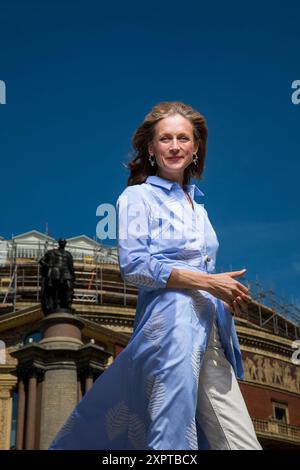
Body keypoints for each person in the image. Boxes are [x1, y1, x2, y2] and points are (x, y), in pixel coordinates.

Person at [49, 101, 262, 450]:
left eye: (183, 138)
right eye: (165, 139)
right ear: (151, 148)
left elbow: (198, 267)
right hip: (170, 332)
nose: (175, 146)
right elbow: (134, 266)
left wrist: (222, 292)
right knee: (171, 437)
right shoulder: (137, 197)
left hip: (210, 336)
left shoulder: (200, 208)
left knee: (240, 442)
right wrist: (209, 282)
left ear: (196, 149)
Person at [39, 238, 75, 314]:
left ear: (65, 243)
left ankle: (68, 302)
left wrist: (73, 275)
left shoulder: (68, 254)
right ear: (59, 243)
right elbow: (41, 261)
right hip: (56, 271)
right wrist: (48, 265)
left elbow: (71, 266)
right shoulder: (52, 252)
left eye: (64, 242)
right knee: (56, 288)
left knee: (68, 286)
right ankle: (57, 303)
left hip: (66, 271)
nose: (63, 243)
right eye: (61, 242)